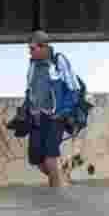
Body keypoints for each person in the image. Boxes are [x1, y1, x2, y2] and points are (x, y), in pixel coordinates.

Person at [24, 30, 80, 188]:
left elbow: (73, 88)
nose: (30, 52)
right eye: (29, 48)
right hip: (37, 117)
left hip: (55, 117)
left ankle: (56, 196)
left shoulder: (58, 61)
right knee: (37, 160)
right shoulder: (32, 64)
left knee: (50, 157)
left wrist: (63, 111)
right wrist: (27, 108)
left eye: (32, 48)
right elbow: (29, 89)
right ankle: (62, 181)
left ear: (44, 47)